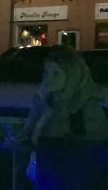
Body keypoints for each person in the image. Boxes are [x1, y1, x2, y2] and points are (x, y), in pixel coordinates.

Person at [13, 46, 108, 180]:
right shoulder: (46, 103)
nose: (48, 79)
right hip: (48, 177)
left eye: (56, 74)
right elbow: (35, 139)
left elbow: (84, 151)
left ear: (71, 76)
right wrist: (22, 139)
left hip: (73, 181)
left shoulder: (85, 108)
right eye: (46, 72)